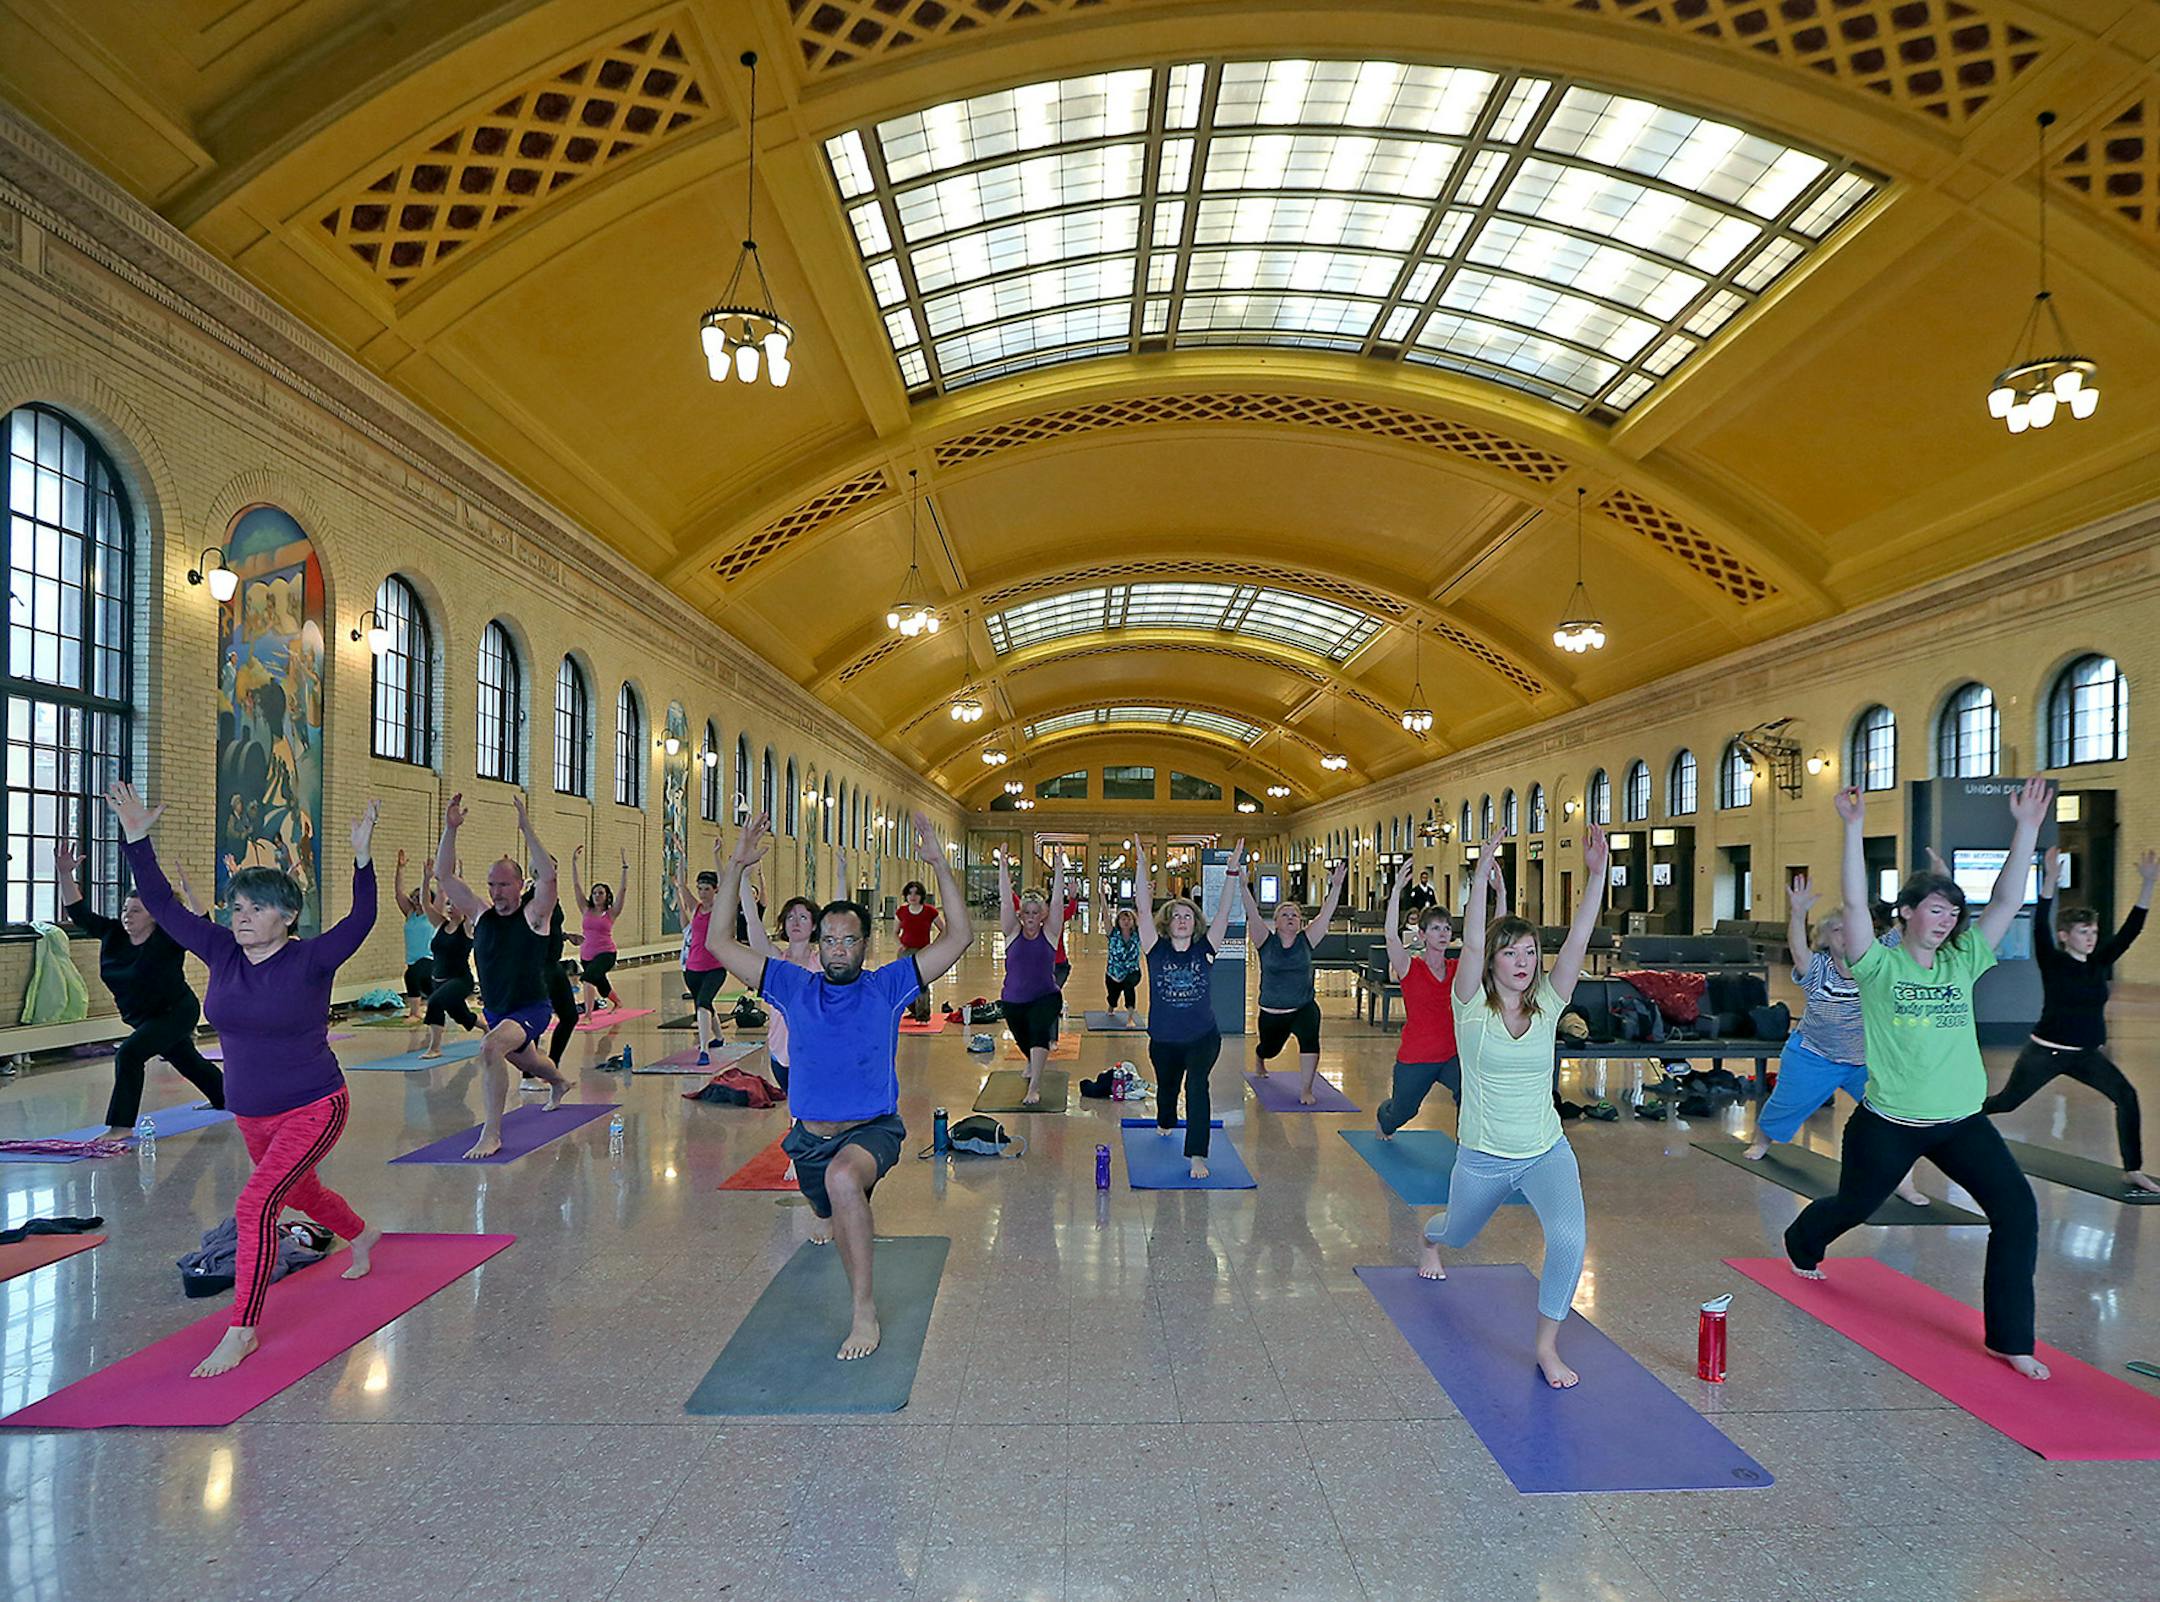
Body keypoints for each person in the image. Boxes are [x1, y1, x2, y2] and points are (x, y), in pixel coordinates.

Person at [103, 780, 382, 1378]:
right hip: (251, 1112)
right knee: (301, 1194)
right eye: (237, 907)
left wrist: (363, 859)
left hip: (315, 1103)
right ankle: (362, 1235)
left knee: (256, 1203)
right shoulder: (221, 951)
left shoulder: (312, 959)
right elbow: (165, 905)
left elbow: (363, 918)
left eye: (256, 908)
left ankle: (242, 1329)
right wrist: (136, 839)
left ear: (287, 916)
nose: (242, 917)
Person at [1787, 781, 2051, 1380]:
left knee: (2018, 1213)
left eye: (1953, 912)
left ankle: (2010, 1338)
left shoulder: (1963, 959)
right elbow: (1855, 909)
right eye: (1935, 909)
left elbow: (2006, 902)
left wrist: (2027, 828)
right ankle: (1803, 1240)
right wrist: (1852, 827)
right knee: (1856, 1203)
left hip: (1961, 1122)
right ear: (1905, 913)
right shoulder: (1877, 964)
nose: (1946, 920)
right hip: (1890, 1123)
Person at [703, 810, 972, 1360]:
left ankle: (863, 1309)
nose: (838, 949)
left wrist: (940, 865)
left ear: (865, 946)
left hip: (872, 1129)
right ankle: (825, 1209)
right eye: (829, 940)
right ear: (819, 946)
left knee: (846, 1182)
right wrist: (735, 865)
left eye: (849, 941)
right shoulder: (792, 985)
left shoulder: (887, 985)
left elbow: (961, 937)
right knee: (825, 1199)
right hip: (808, 1138)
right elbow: (719, 943)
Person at [1420, 825, 1604, 1389]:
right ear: (1493, 961)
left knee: (1570, 1238)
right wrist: (1480, 872)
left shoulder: (1549, 1004)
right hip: (1483, 1157)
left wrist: (1596, 876)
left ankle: (1546, 1345)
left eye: (1529, 952)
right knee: (1456, 1233)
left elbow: (1577, 941)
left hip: (1546, 1151)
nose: (1522, 961)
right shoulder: (1470, 1007)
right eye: (1511, 952)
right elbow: (1470, 943)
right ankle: (1428, 1239)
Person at [1742, 873, 1930, 1207]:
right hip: (1814, 1055)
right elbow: (1798, 950)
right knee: (1786, 1105)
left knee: (1896, 1116)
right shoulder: (1819, 969)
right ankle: (1762, 1141)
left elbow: (1905, 928)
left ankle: (1905, 1181)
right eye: (1838, 929)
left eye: (1853, 927)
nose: (1848, 934)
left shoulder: (1877, 960)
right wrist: (1798, 912)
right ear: (1826, 938)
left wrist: (1926, 894)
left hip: (1865, 1060)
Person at [1982, 845, 2159, 1194]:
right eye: (2083, 933)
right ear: (2065, 936)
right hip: (2045, 1053)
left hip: (2086, 1055)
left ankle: (2133, 1169)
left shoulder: (2099, 962)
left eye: (2093, 932)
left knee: (2126, 1095)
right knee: (2005, 1103)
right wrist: (2049, 879)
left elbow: (2131, 929)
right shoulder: (2053, 961)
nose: (2091, 939)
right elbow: (2040, 920)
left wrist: (2148, 884)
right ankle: (1945, 1122)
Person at [433, 793, 572, 1159]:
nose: (496, 892)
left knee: (490, 1047)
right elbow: (444, 876)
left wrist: (527, 828)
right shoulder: (481, 915)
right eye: (492, 885)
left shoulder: (534, 916)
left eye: (504, 885)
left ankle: (491, 1134)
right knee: (531, 1062)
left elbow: (550, 877)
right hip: (497, 1009)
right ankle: (560, 1082)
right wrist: (450, 830)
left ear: (520, 885)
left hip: (532, 1006)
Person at [55, 837, 225, 1136]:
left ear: (154, 916)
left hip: (176, 1011)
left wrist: (191, 895)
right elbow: (78, 913)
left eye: (136, 911)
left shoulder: (168, 937)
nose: (126, 916)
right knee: (187, 1060)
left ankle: (120, 1126)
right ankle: (228, 1097)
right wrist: (65, 873)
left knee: (129, 1054)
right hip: (141, 1016)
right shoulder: (113, 933)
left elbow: (203, 926)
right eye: (125, 909)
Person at [1136, 840, 1241, 1179]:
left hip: (1202, 1038)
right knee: (1167, 1088)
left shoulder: (1205, 949)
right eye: (1176, 915)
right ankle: (1165, 1119)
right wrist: (1141, 864)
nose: (1182, 920)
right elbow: (1141, 909)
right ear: (1168, 922)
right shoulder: (1155, 949)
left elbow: (1223, 913)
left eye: (1187, 916)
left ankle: (1197, 1153)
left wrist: (1232, 872)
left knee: (1197, 1087)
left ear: (1195, 923)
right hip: (1164, 1040)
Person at [1238, 859, 1348, 1104]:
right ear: (1276, 922)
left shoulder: (1306, 940)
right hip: (1272, 1011)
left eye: (1295, 915)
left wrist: (1337, 886)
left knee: (1310, 1040)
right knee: (1270, 1049)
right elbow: (1252, 913)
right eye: (1285, 914)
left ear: (1300, 922)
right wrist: (1244, 887)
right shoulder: (1265, 941)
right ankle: (1260, 1058)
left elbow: (1326, 914)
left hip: (1303, 1006)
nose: (1290, 918)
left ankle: (1306, 1089)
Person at [1375, 859, 1464, 1140]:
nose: (1443, 934)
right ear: (1422, 935)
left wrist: (1499, 894)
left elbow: (1483, 946)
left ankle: (1467, 1150)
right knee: (1403, 1113)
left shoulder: (1456, 968)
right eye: (1436, 928)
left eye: (1447, 928)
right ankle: (1383, 1117)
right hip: (1417, 1056)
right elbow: (1390, 936)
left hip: (1451, 1055)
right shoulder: (1410, 967)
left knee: (1472, 1095)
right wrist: (1397, 891)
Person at [998, 854, 1069, 1106]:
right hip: (1013, 1000)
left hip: (1046, 996)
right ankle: (1031, 1061)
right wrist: (1004, 869)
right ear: (1021, 914)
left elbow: (1058, 902)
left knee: (1039, 1032)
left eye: (1035, 912)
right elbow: (1006, 902)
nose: (1030, 916)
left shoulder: (1049, 933)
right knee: (1023, 1039)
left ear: (1042, 914)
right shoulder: (1012, 932)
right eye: (1026, 912)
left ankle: (1035, 1086)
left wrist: (1060, 870)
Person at [670, 835, 728, 1063]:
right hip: (692, 968)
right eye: (700, 889)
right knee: (705, 1004)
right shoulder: (695, 908)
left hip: (715, 967)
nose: (702, 893)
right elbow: (682, 886)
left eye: (706, 889)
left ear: (715, 890)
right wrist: (681, 856)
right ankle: (719, 1037)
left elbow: (725, 881)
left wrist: (716, 855)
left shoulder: (721, 909)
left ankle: (703, 1049)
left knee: (703, 1004)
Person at [417, 886, 478, 1060]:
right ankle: (487, 1028)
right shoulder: (441, 924)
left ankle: (435, 1048)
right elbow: (425, 904)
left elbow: (471, 903)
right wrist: (427, 878)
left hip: (460, 980)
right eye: (449, 904)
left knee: (435, 1002)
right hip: (439, 980)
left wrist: (457, 879)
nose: (450, 907)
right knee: (461, 1015)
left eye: (455, 904)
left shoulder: (466, 927)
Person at [570, 845, 631, 1016]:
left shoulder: (611, 913)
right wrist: (574, 863)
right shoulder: (586, 909)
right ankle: (617, 1002)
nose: (597, 895)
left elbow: (623, 891)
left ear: (607, 896)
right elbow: (576, 886)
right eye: (595, 893)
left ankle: (588, 1014)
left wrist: (625, 867)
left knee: (588, 979)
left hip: (606, 954)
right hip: (586, 955)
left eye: (601, 893)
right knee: (601, 984)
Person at [393, 850, 435, 1021]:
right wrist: (400, 868)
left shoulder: (433, 914)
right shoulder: (410, 914)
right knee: (426, 986)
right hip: (413, 959)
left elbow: (443, 894)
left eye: (421, 897)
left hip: (430, 957)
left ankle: (415, 1013)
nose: (417, 900)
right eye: (415, 897)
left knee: (411, 976)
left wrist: (429, 878)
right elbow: (398, 893)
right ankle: (437, 1006)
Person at [894, 878, 943, 1021]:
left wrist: (935, 946)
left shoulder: (930, 911)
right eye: (910, 894)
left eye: (916, 894)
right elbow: (895, 932)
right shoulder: (902, 912)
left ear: (921, 896)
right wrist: (900, 944)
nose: (913, 897)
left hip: (923, 952)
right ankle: (914, 1009)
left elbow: (943, 929)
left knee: (922, 983)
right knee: (906, 983)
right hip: (906, 952)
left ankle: (923, 1014)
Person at [1105, 907, 1143, 1025]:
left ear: (1133, 921)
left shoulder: (1137, 935)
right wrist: (1101, 895)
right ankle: (1111, 1006)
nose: (1126, 922)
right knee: (1113, 996)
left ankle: (1130, 1016)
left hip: (1132, 971)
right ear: (1118, 921)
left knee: (1128, 986)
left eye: (1128, 919)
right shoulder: (1113, 934)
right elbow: (1106, 916)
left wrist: (1149, 895)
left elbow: (1145, 914)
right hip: (1114, 972)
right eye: (1123, 919)